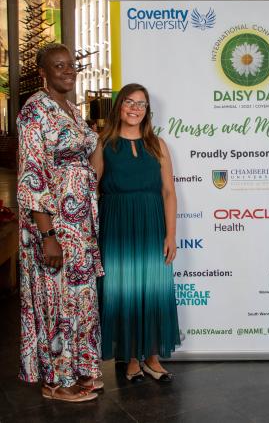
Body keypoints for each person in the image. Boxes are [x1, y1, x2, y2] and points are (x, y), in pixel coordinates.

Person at [17, 43, 104, 402]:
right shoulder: (35, 110)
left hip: (79, 224)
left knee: (79, 296)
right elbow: (32, 175)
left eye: (71, 65)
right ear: (43, 72)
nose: (68, 71)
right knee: (55, 298)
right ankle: (56, 381)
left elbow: (92, 148)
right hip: (52, 224)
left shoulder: (71, 108)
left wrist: (88, 181)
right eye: (59, 65)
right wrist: (48, 234)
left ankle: (81, 369)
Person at [93, 83, 180, 382]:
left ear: (147, 111)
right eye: (129, 102)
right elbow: (91, 188)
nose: (134, 108)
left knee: (153, 288)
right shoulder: (103, 143)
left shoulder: (158, 145)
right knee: (124, 290)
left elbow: (168, 192)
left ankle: (153, 358)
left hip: (152, 224)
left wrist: (171, 235)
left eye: (141, 104)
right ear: (119, 107)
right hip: (116, 226)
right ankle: (131, 358)